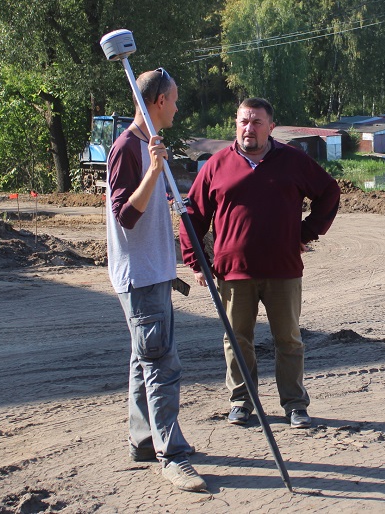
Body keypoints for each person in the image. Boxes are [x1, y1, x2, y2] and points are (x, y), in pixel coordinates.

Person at [180, 97, 340, 429]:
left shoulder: (292, 161)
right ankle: (242, 402)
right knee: (237, 339)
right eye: (243, 121)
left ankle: (295, 405)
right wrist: (197, 261)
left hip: (283, 269)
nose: (248, 128)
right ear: (235, 124)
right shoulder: (217, 165)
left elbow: (329, 193)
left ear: (271, 126)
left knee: (289, 339)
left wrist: (305, 233)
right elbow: (192, 214)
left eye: (255, 122)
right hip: (233, 271)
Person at [106, 67, 206, 492]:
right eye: (175, 99)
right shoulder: (129, 146)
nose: (178, 107)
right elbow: (125, 215)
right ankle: (173, 455)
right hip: (141, 275)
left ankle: (145, 440)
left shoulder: (151, 144)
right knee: (162, 365)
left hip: (153, 273)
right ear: (158, 101)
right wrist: (153, 169)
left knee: (142, 361)